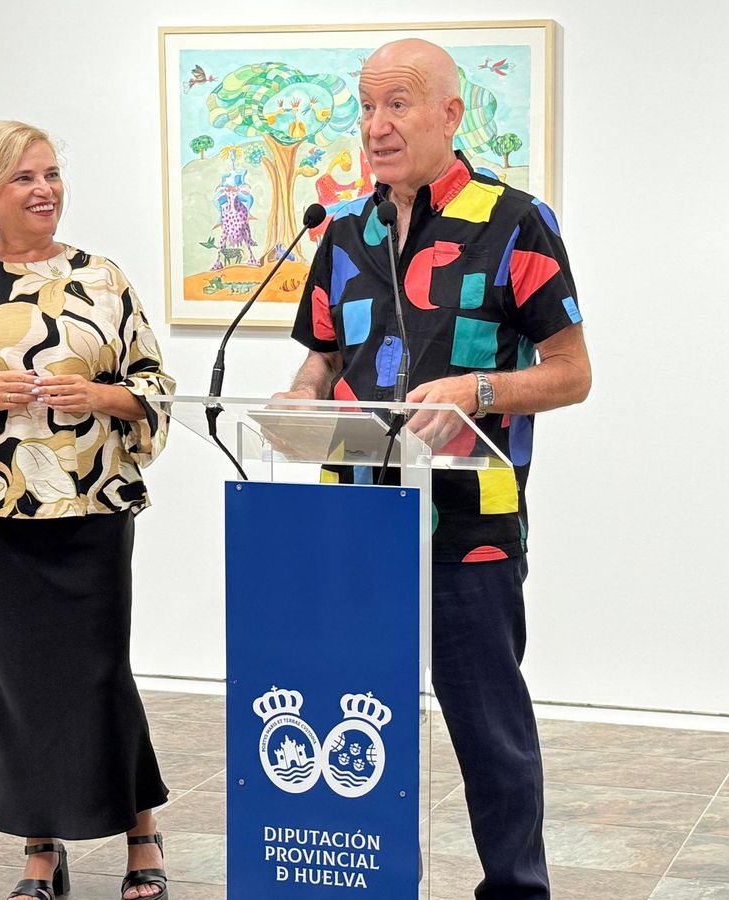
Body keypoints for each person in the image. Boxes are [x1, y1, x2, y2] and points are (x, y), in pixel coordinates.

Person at [276, 39, 591, 900]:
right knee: (348, 723)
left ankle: (517, 891)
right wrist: (300, 399)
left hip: (472, 525)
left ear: (452, 114)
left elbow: (572, 373)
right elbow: (317, 367)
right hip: (355, 523)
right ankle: (358, 882)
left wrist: (478, 388)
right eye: (367, 108)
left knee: (489, 733)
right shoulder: (341, 234)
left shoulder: (516, 222)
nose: (376, 127)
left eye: (399, 105)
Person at [0, 120, 176, 900]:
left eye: (51, 174)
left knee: (99, 674)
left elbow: (155, 389)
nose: (44, 189)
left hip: (91, 506)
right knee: (15, 683)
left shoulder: (103, 280)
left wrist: (100, 395)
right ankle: (39, 851)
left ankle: (140, 830)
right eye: (25, 178)